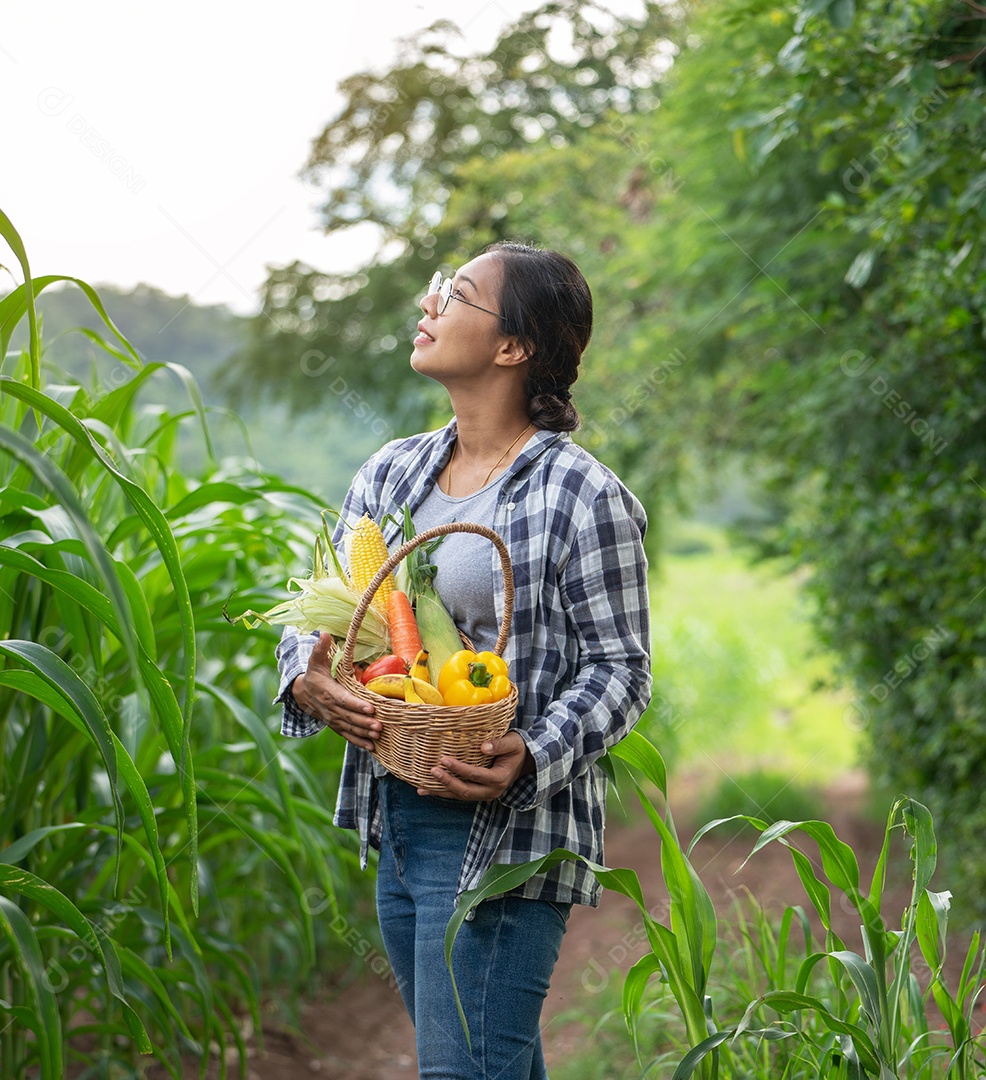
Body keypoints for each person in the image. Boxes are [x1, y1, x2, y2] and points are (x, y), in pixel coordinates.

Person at [275, 241, 652, 1079]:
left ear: (512, 347)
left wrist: (533, 753)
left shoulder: (583, 494)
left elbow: (623, 669)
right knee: (490, 1067)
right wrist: (306, 672)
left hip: (508, 829)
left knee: (464, 1071)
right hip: (396, 815)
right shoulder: (392, 472)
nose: (429, 304)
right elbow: (322, 605)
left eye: (457, 294)